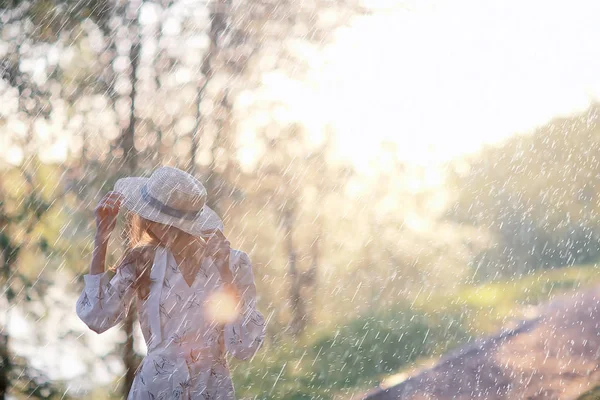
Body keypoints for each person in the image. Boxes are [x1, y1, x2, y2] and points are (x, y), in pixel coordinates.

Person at [75, 166, 266, 399]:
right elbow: (97, 317)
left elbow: (244, 347)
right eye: (156, 220)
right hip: (156, 390)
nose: (157, 225)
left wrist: (225, 272)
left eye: (164, 221)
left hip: (211, 391)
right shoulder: (142, 259)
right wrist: (101, 238)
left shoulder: (234, 263)